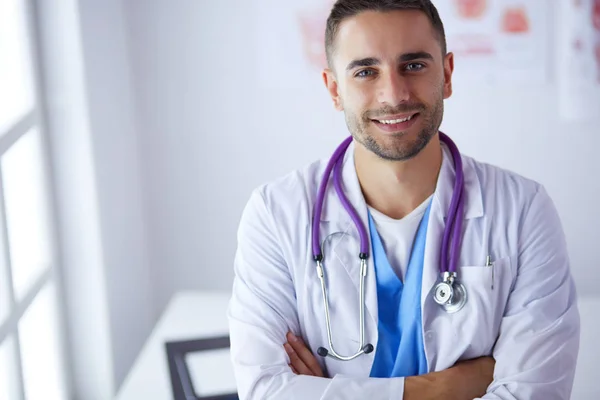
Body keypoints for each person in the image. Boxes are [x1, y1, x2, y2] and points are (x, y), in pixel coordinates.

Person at [228, 1, 580, 399]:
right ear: (334, 89)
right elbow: (265, 392)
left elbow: (535, 393)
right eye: (365, 71)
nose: (393, 95)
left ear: (446, 74)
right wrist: (446, 387)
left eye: (413, 65)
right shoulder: (276, 214)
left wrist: (333, 391)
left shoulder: (522, 210)